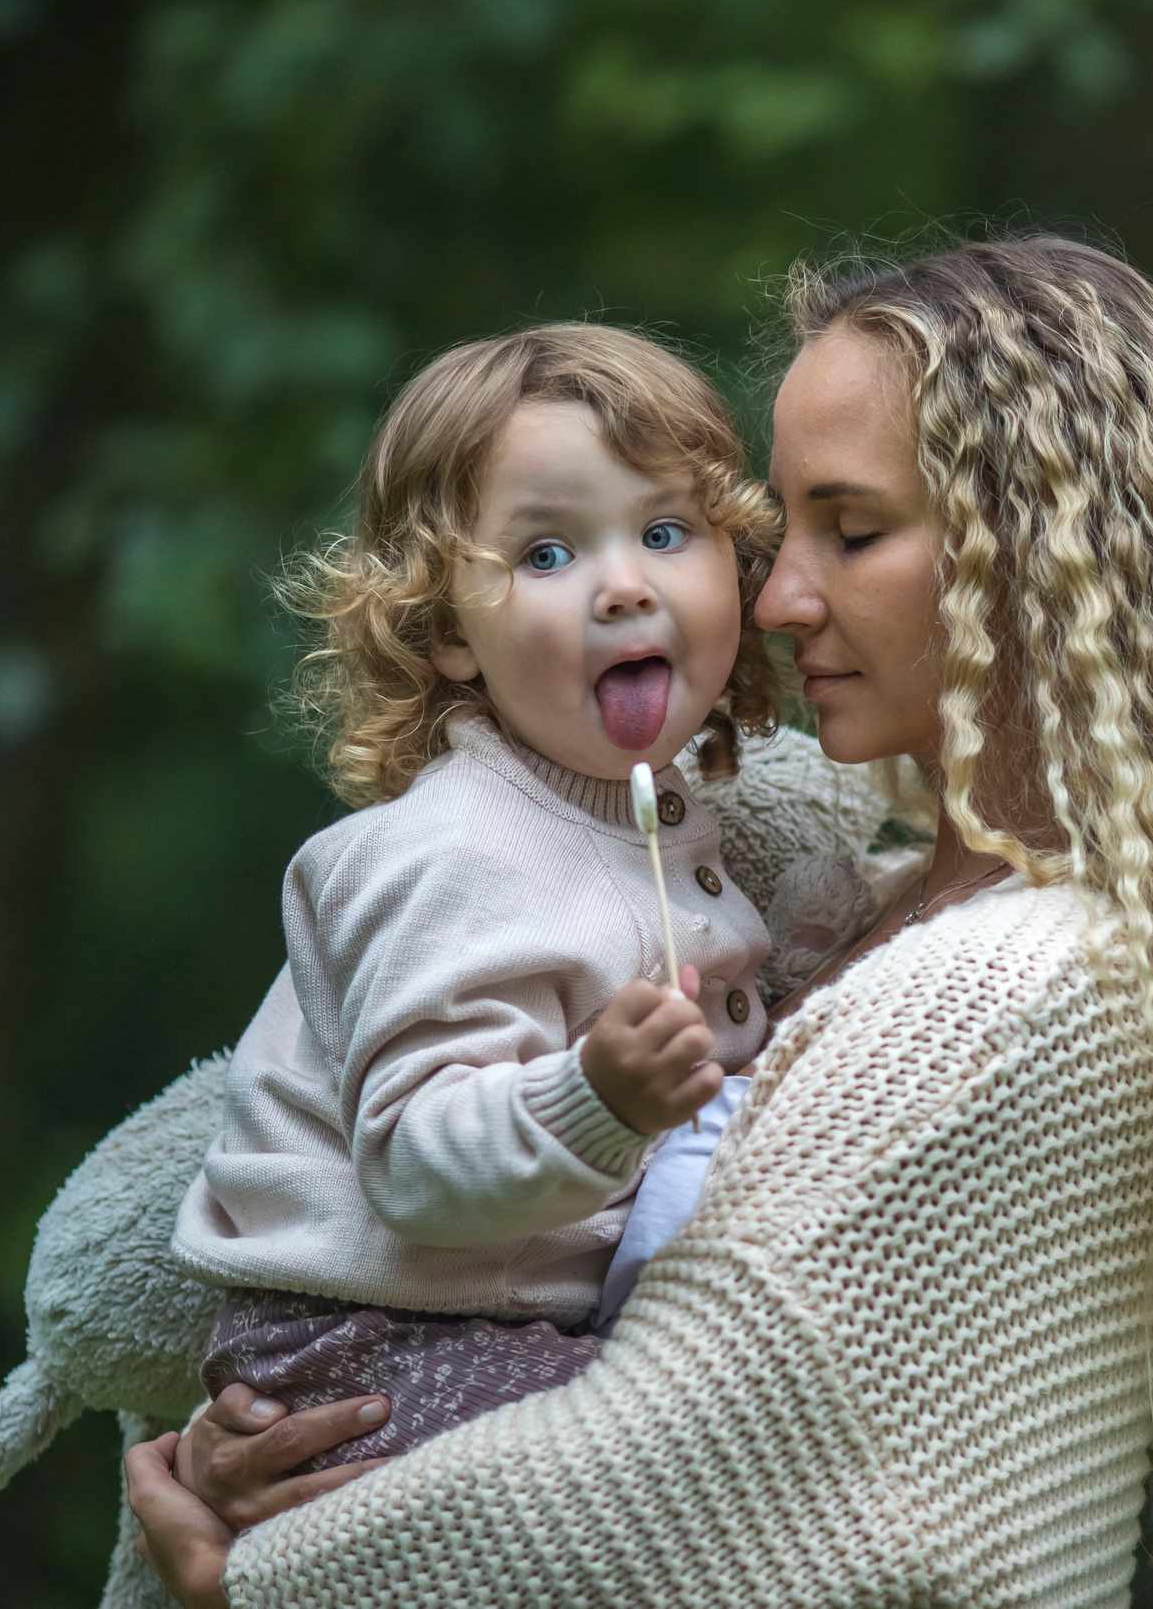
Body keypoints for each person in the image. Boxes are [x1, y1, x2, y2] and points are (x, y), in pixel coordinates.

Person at [125, 236, 1153, 1608]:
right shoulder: (849, 898)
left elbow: (667, 1484)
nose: (778, 596)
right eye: (776, 532)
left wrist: (249, 1569)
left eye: (849, 530)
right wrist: (285, 1400)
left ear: (1038, 559)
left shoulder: (1010, 989)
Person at [171, 322, 809, 1472]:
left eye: (665, 532)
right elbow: (414, 1160)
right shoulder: (442, 852)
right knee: (714, 1457)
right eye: (548, 556)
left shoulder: (657, 820)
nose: (622, 586)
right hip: (367, 1343)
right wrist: (596, 1097)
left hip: (495, 1321)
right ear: (445, 630)